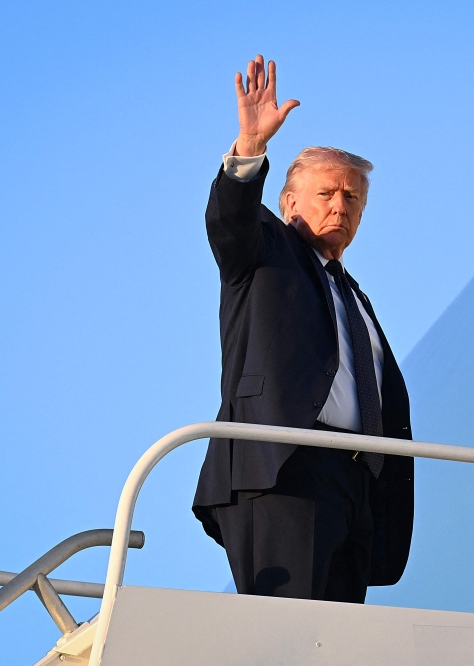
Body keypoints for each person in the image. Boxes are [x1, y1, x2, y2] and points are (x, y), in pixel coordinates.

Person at [192, 55, 413, 603]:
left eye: (352, 198)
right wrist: (249, 149)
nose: (341, 206)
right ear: (289, 203)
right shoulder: (266, 252)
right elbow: (230, 221)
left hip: (354, 482)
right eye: (327, 194)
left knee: (338, 646)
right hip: (284, 468)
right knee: (287, 640)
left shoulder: (353, 295)